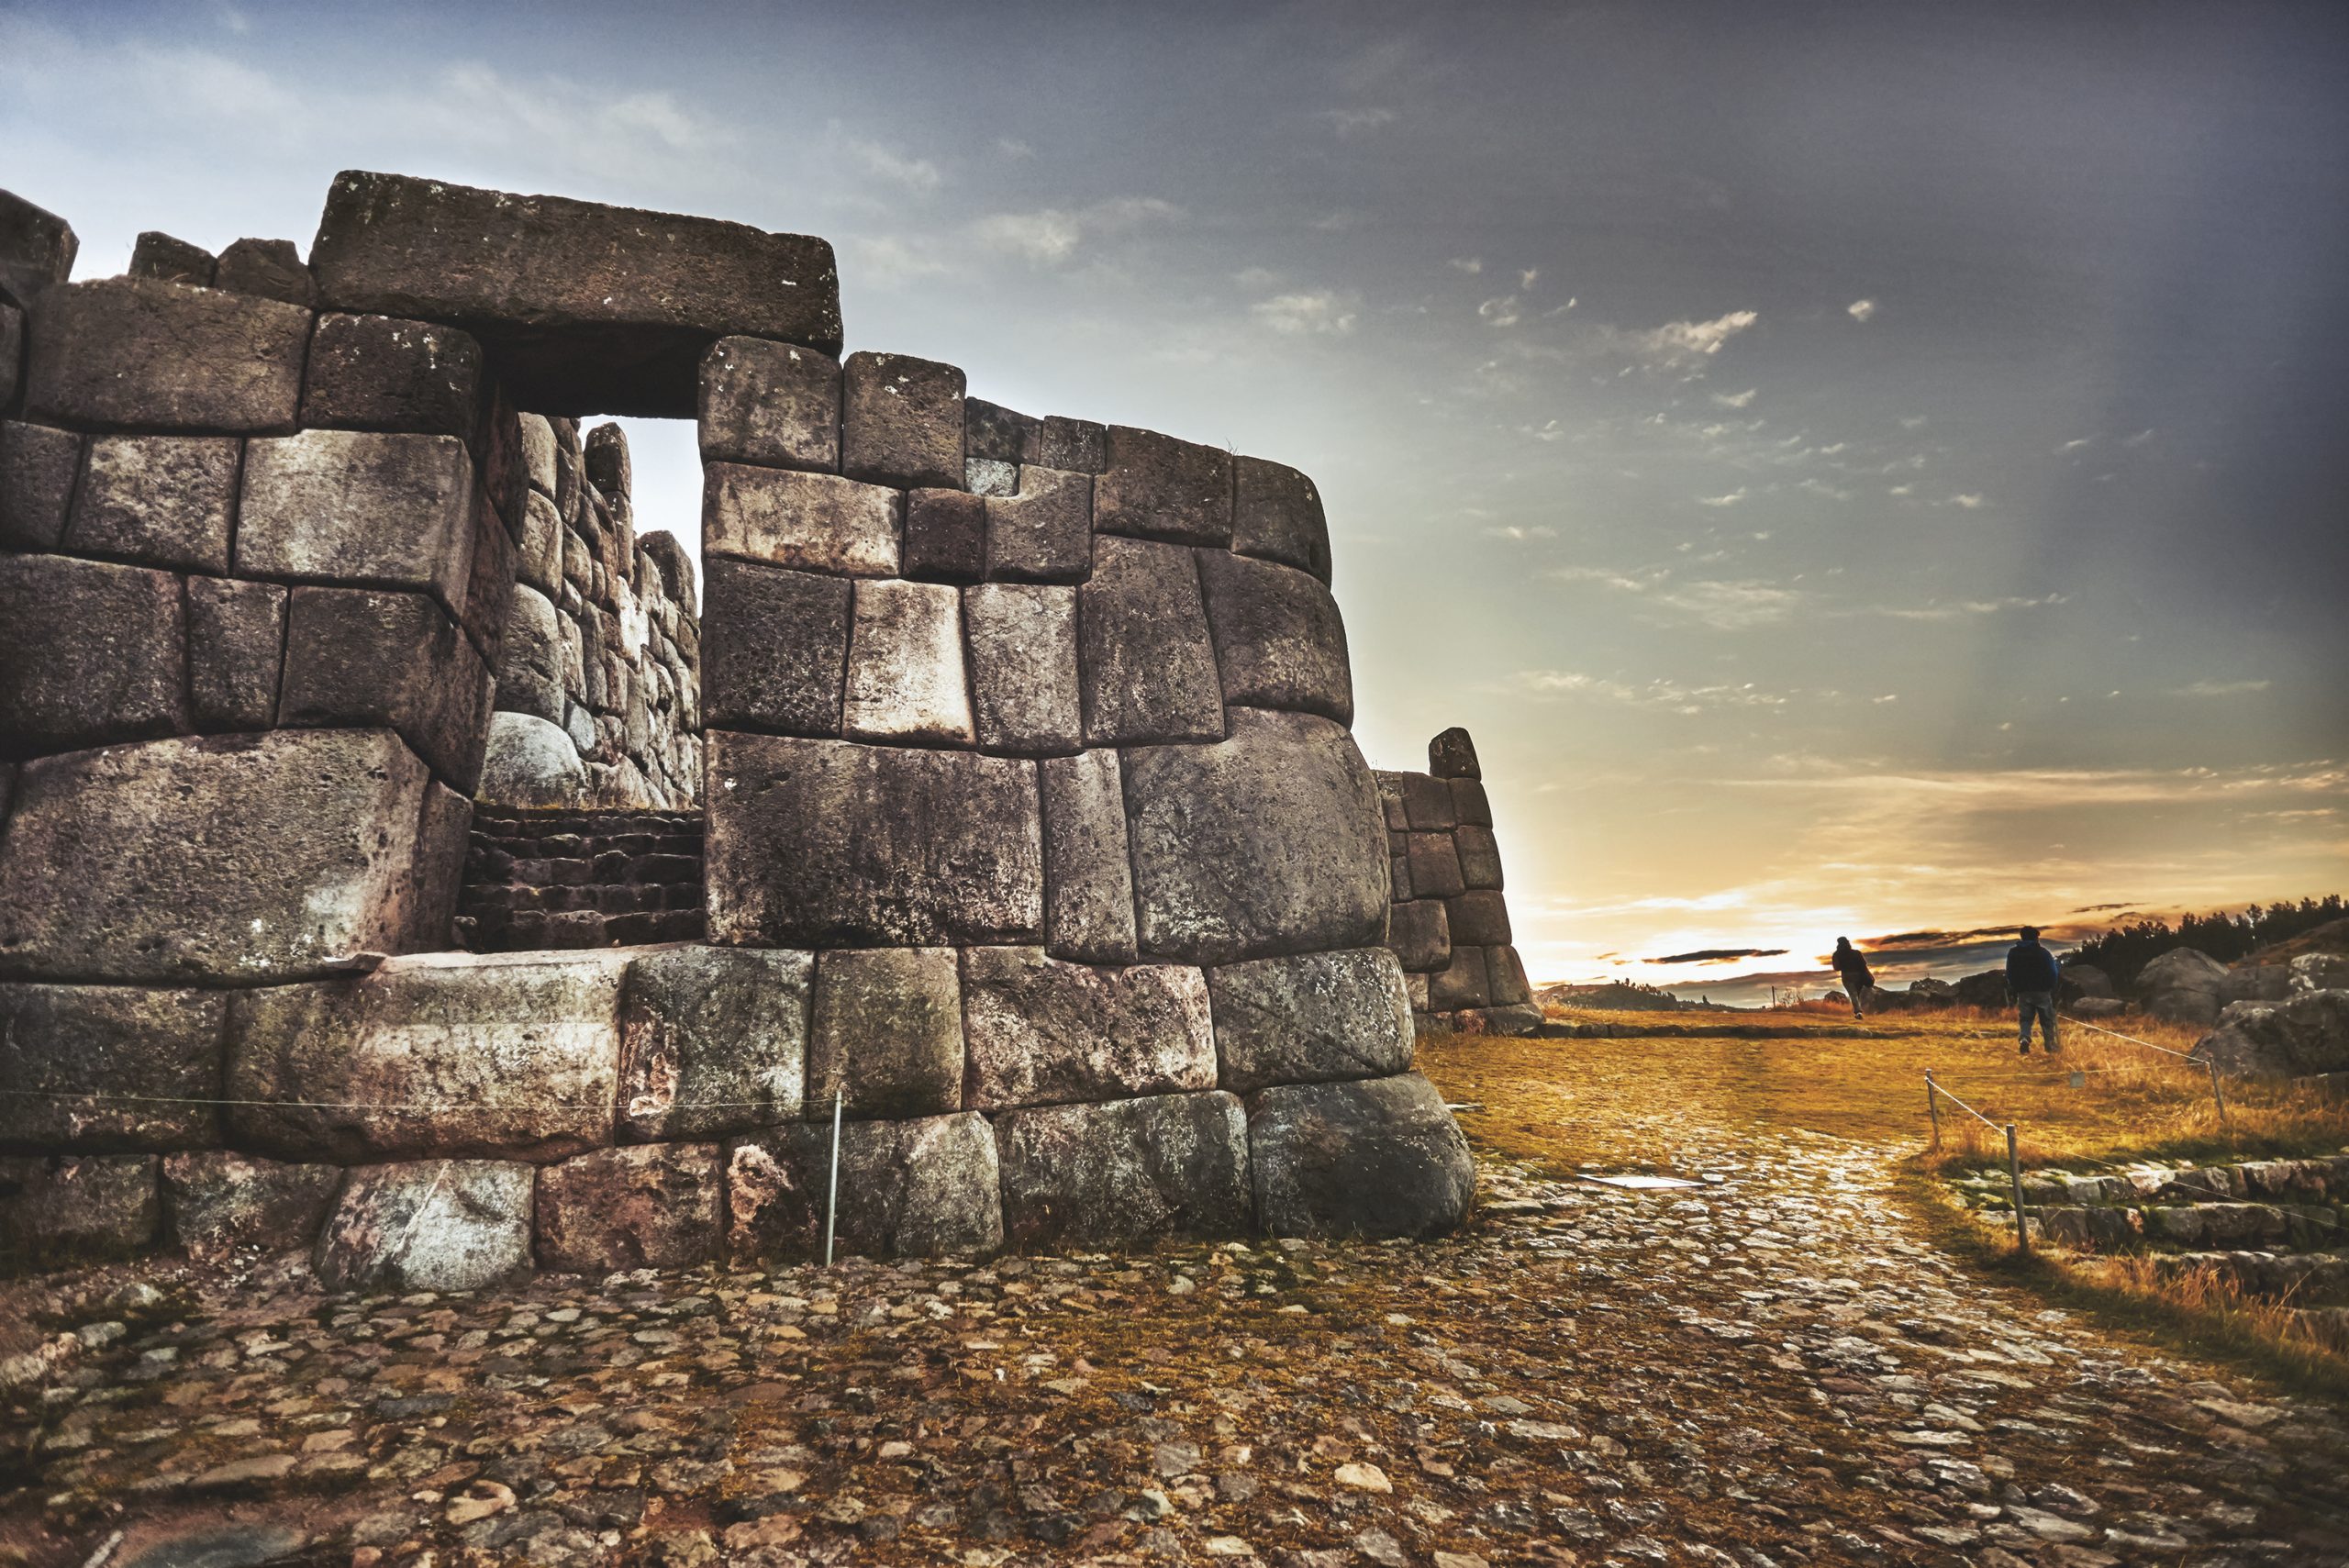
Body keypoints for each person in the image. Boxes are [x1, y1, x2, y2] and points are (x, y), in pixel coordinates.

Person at [2006, 925, 2062, 1055]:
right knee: (2047, 1019)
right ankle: (2050, 1046)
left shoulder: (2013, 953)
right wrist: (2051, 986)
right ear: (2036, 937)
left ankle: (2024, 1039)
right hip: (2042, 991)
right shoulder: (2043, 953)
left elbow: (2010, 972)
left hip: (2023, 991)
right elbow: (2052, 972)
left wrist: (2015, 986)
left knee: (2025, 1019)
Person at [1831, 937, 1874, 1019]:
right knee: (1858, 994)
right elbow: (1864, 966)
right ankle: (1860, 1011)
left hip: (1847, 976)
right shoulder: (1856, 953)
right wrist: (1869, 974)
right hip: (1859, 975)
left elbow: (1837, 968)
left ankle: (1858, 1012)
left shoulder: (1836, 954)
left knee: (1853, 994)